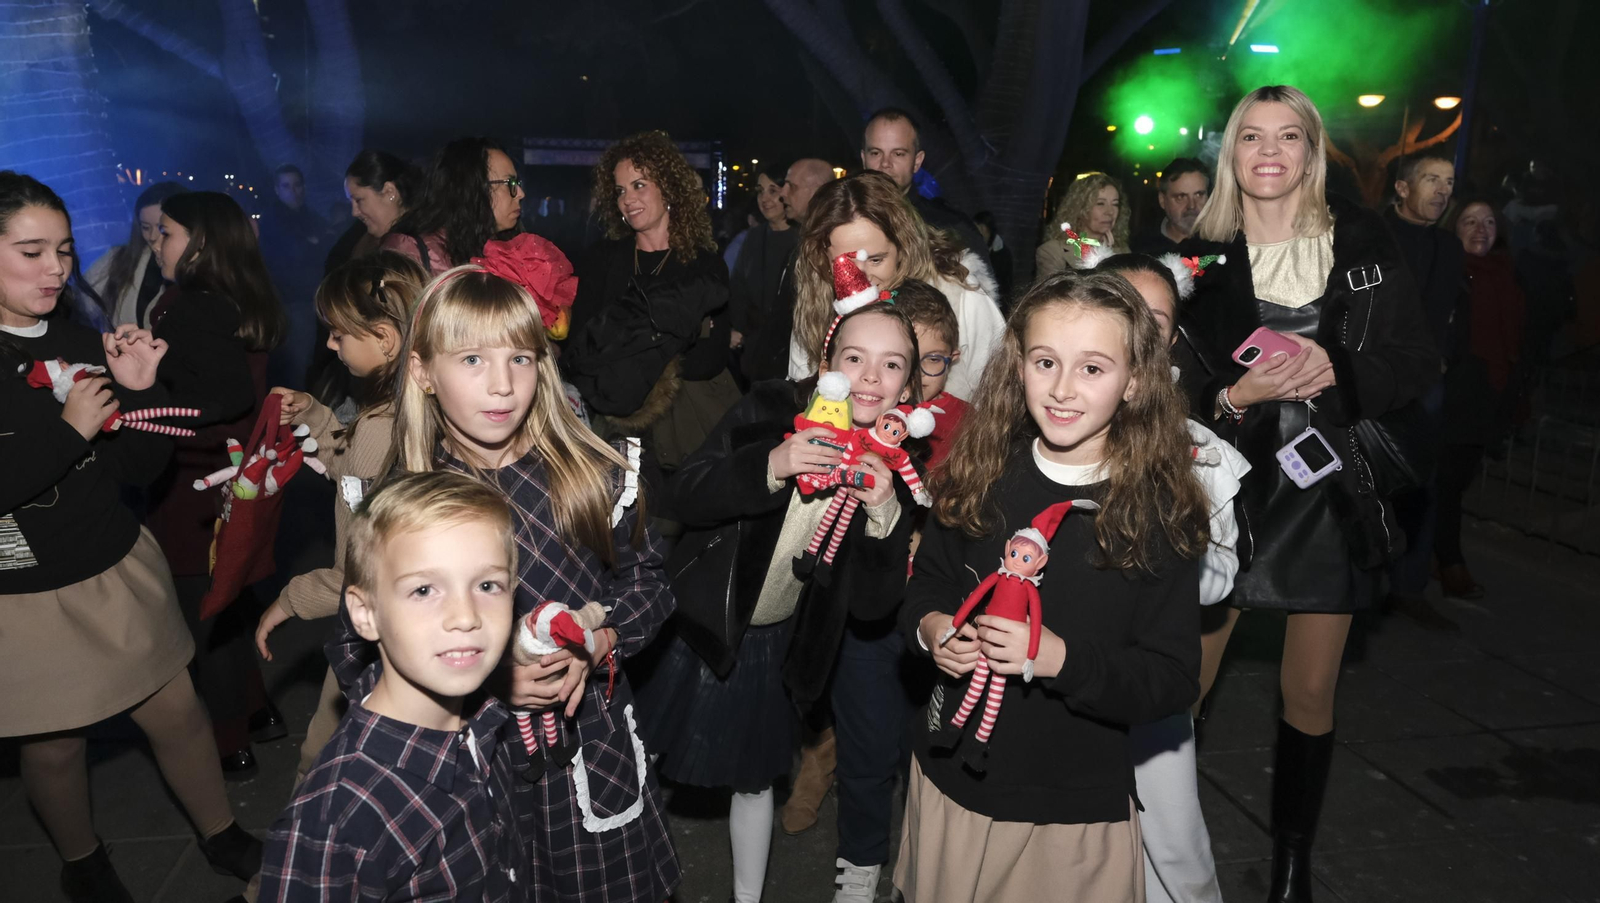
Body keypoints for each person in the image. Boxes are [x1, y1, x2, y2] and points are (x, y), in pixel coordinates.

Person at [326, 259, 681, 902]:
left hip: (587, 750)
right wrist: (485, 680)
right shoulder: (400, 505)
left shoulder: (592, 474)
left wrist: (597, 645)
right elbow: (355, 655)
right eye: (471, 361)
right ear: (422, 372)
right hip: (468, 766)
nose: (501, 386)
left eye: (521, 358)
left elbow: (650, 584)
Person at [1178, 85, 1438, 902]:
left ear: (1311, 152)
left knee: (1312, 690)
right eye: (1252, 136)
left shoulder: (1362, 242)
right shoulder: (1199, 259)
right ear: (1232, 154)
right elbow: (1162, 389)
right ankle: (1157, 848)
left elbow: (1417, 359)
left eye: (1288, 136)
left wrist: (1343, 371)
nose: (1269, 151)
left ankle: (1292, 868)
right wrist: (1233, 399)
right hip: (1230, 491)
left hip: (1332, 490)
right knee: (1180, 688)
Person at [896, 271, 1210, 903]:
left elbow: (1172, 676)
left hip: (1069, 803)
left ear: (1137, 381)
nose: (1063, 389)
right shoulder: (982, 471)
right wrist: (934, 631)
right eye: (1045, 362)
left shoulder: (1156, 512)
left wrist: (1058, 659)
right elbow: (927, 582)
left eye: (1093, 369)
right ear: (1018, 367)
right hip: (954, 776)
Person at [0, 171, 261, 902]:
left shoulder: (82, 338)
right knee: (52, 744)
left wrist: (141, 389)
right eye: (30, 251)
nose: (55, 268)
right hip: (20, 589)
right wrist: (68, 429)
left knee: (176, 709)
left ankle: (223, 833)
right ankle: (83, 861)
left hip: (108, 561)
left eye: (62, 249)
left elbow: (134, 467)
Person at [635, 298, 919, 903]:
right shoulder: (771, 406)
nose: (872, 377)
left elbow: (872, 608)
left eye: (892, 365)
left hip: (772, 641)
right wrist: (770, 464)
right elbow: (683, 494)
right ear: (827, 364)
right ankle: (625, 870)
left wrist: (885, 514)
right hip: (693, 618)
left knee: (753, 780)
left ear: (909, 385)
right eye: (855, 357)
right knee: (636, 755)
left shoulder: (893, 468)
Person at [259, 471, 528, 901]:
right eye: (423, 589)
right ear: (364, 614)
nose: (465, 616)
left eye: (487, 585)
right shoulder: (339, 819)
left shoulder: (481, 721)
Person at [1098, 252, 1251, 903]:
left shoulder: (1200, 453)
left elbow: (1218, 580)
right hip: (1045, 690)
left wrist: (1172, 529)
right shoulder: (1041, 429)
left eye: (1154, 320)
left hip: (1149, 691)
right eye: (1120, 308)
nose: (1136, 329)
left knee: (1171, 844)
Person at [254, 251, 429, 784]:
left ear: (385, 338)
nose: (330, 344)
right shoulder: (409, 406)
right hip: (414, 624)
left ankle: (311, 863)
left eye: (338, 333)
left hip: (378, 630)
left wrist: (291, 599)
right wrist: (314, 413)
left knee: (323, 761)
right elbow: (354, 468)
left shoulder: (383, 428)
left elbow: (365, 569)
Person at [145, 190, 288, 779]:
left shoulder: (189, 303)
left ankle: (230, 742)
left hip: (192, 478)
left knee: (204, 612)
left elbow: (227, 394)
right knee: (227, 597)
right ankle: (259, 715)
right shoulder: (243, 297)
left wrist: (145, 405)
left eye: (167, 233)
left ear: (201, 243)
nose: (156, 242)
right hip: (236, 473)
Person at [563, 130, 741, 478]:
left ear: (668, 187)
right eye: (620, 191)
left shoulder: (703, 264)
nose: (628, 199)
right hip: (611, 433)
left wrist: (626, 339)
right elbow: (581, 349)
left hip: (684, 437)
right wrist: (674, 332)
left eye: (639, 185)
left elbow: (708, 361)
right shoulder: (604, 259)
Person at [788, 171, 1003, 400]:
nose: (864, 277)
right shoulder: (817, 304)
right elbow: (801, 393)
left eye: (877, 260)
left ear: (903, 248)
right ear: (822, 260)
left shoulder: (959, 295)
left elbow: (999, 395)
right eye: (846, 264)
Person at [1382, 152, 1467, 629]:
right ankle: (1355, 584)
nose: (1441, 190)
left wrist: (1443, 356)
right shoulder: (1373, 236)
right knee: (1363, 475)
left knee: (1422, 481)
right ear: (1402, 188)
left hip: (1425, 383)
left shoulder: (1449, 249)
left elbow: (1449, 315)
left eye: (1449, 182)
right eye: (1431, 179)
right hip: (1373, 375)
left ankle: (1408, 587)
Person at [1436, 199, 1526, 600]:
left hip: (1488, 393)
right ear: (1453, 228)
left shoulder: (1509, 278)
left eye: (1489, 222)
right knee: (1443, 482)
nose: (1480, 229)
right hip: (1450, 390)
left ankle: (1440, 557)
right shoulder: (1447, 274)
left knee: (1456, 481)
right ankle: (1448, 561)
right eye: (1470, 221)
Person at [309, 149, 425, 407]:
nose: (353, 211)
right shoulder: (365, 239)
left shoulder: (412, 246)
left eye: (359, 200)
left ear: (390, 191)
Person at [860, 108, 991, 268]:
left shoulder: (951, 228)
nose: (885, 163)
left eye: (898, 154)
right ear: (864, 158)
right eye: (875, 153)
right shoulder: (840, 220)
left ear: (917, 161)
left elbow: (982, 289)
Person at [382, 137, 525, 274]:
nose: (520, 193)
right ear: (471, 189)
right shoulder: (411, 253)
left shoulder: (511, 249)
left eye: (517, 183)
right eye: (510, 183)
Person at [258, 164, 330, 388]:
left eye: (297, 185)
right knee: (295, 370)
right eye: (287, 186)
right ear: (277, 189)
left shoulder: (313, 218)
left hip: (311, 303)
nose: (294, 191)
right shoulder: (269, 222)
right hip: (287, 304)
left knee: (305, 366)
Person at [85, 181, 188, 329]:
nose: (152, 236)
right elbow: (80, 304)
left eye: (161, 228)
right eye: (145, 227)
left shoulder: (202, 276)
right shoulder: (121, 258)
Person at [888, 279, 966, 469]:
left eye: (932, 359)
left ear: (952, 357)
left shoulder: (968, 421)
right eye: (904, 360)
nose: (916, 374)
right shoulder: (876, 410)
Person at [729, 168, 799, 365]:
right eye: (760, 191)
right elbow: (738, 287)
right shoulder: (754, 236)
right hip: (755, 348)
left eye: (773, 191)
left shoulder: (804, 238)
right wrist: (738, 328)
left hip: (791, 349)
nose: (764, 198)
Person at [1037, 172, 1130, 279]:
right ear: (1080, 208)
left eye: (1115, 204)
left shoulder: (1122, 251)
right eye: (1100, 203)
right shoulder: (1053, 251)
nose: (1110, 212)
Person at [1132, 159, 1211, 256]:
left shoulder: (1222, 245)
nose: (1191, 206)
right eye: (1181, 197)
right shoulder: (1142, 250)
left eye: (1199, 195)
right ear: (1162, 200)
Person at [972, 211, 1012, 300]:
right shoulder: (977, 249)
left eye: (975, 227)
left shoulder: (1002, 253)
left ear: (983, 228)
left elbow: (1005, 286)